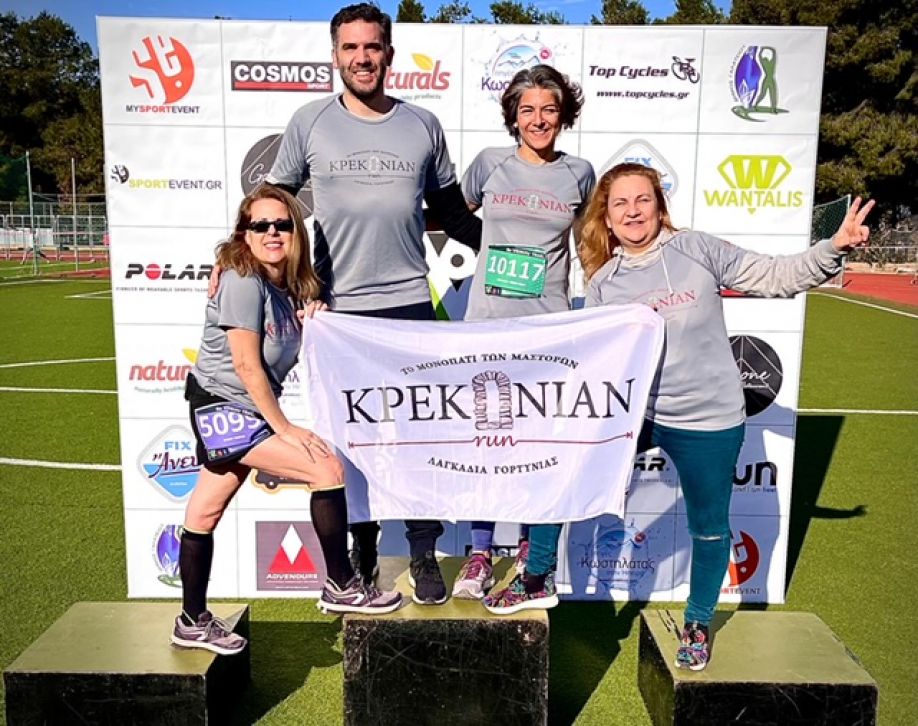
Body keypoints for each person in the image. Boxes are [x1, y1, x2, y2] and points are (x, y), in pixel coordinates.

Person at [579, 162, 874, 670]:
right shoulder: (604, 283)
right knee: (572, 475)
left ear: (659, 206)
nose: (632, 211)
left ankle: (697, 622)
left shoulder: (696, 249)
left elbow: (774, 275)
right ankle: (538, 573)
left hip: (708, 419)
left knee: (709, 527)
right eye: (620, 203)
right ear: (606, 218)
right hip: (640, 417)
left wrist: (834, 248)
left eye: (642, 199)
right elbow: (599, 357)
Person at [262, 3, 481, 606]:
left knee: (417, 437)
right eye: (351, 48)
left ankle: (423, 551)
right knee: (349, 441)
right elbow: (273, 206)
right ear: (335, 55)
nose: (362, 58)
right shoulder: (309, 122)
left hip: (410, 306)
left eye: (372, 47)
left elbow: (455, 215)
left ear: (389, 53)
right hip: (337, 314)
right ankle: (362, 553)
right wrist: (235, 259)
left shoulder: (423, 124)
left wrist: (520, 254)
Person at [172, 186, 401, 655]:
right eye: (261, 225)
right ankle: (341, 584)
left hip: (244, 410)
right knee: (325, 468)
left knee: (204, 512)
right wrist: (285, 428)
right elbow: (246, 366)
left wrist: (314, 317)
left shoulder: (291, 287)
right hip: (223, 406)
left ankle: (191, 621)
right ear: (244, 233)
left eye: (283, 224)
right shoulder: (242, 279)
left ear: (296, 232)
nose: (272, 233)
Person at [447, 65, 595, 608]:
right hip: (487, 326)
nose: (538, 120)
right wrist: (490, 247)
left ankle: (533, 549)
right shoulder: (490, 164)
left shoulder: (580, 173)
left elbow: (590, 244)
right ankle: (481, 551)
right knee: (486, 442)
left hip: (548, 331)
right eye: (527, 109)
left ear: (564, 115)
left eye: (548, 109)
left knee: (537, 446)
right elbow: (454, 217)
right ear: (513, 115)